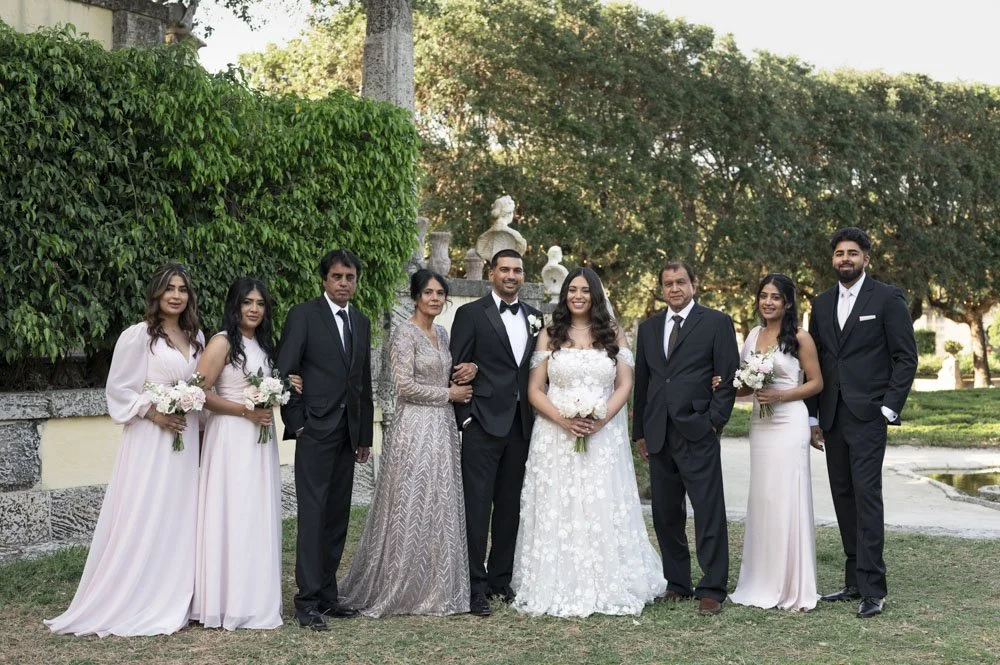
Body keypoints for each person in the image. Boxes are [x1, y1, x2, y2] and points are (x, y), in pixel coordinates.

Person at [45, 263, 205, 636]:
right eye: (169, 288)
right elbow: (118, 389)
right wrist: (155, 414)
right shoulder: (138, 337)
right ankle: (138, 594)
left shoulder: (197, 337)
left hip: (186, 439)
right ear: (156, 293)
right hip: (151, 439)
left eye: (182, 289)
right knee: (147, 507)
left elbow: (203, 384)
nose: (176, 296)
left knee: (180, 512)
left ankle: (177, 592)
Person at [512, 267, 666, 617]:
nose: (578, 296)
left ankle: (607, 577)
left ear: (595, 295)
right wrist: (563, 419)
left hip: (603, 435)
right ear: (565, 294)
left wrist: (601, 419)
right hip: (555, 434)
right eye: (572, 290)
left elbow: (625, 384)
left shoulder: (612, 332)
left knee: (600, 502)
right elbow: (535, 389)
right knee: (559, 503)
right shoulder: (549, 333)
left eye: (584, 290)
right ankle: (557, 579)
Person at [340, 270, 475, 617]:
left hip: (443, 427)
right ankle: (399, 585)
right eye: (428, 292)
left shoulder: (442, 334)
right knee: (410, 501)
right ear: (416, 297)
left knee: (439, 500)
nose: (435, 298)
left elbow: (447, 373)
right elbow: (404, 387)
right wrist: (449, 394)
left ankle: (435, 585)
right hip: (414, 426)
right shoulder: (404, 334)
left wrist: (469, 370)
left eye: (440, 293)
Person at [807, 228, 917, 618]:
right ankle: (853, 581)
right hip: (833, 417)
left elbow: (905, 357)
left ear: (866, 258)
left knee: (867, 497)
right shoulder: (820, 304)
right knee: (843, 496)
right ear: (833, 259)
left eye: (852, 253)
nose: (845, 259)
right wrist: (814, 416)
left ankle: (873, 588)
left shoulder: (887, 298)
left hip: (869, 416)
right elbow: (817, 362)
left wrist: (888, 408)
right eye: (839, 253)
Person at [632, 261, 739, 616]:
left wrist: (714, 422)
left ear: (694, 283)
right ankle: (677, 582)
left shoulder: (716, 323)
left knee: (708, 511)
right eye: (668, 283)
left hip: (698, 430)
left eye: (680, 282)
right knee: (665, 513)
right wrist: (640, 432)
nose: (674, 288)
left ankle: (712, 587)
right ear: (661, 288)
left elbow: (728, 376)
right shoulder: (649, 328)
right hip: (658, 432)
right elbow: (645, 382)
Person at [277, 249, 375, 631]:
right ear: (324, 279)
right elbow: (285, 372)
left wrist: (364, 435)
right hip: (315, 432)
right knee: (313, 516)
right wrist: (298, 425)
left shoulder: (361, 322)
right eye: (337, 276)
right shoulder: (303, 315)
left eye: (350, 277)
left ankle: (328, 597)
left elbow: (362, 382)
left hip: (348, 435)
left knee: (337, 517)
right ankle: (306, 601)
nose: (344, 283)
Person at [192, 278, 292, 630]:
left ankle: (255, 597)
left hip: (260, 440)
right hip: (231, 437)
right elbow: (200, 393)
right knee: (233, 512)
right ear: (234, 305)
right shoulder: (222, 342)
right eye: (247, 302)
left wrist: (282, 390)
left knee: (256, 512)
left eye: (260, 303)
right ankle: (226, 601)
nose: (254, 309)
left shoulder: (263, 346)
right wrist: (244, 411)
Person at [450, 249, 542, 617]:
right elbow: (457, 368)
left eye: (517, 270)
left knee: (509, 506)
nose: (511, 275)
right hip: (483, 424)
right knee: (477, 507)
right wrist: (466, 419)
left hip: (522, 425)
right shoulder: (470, 314)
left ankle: (500, 579)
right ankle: (474, 586)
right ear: (491, 274)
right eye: (504, 269)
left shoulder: (535, 317)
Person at [728, 274, 824, 612]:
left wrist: (781, 395)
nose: (768, 302)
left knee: (787, 497)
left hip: (789, 422)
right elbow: (744, 386)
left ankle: (791, 583)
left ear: (787, 303)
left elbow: (816, 383)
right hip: (761, 424)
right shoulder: (753, 335)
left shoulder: (800, 337)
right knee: (764, 497)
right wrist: (729, 383)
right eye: (763, 296)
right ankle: (761, 578)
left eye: (775, 297)